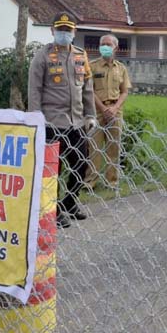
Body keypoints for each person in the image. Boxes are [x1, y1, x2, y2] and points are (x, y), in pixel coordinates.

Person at [28, 12, 97, 228]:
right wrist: (35, 117)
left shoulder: (80, 55)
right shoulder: (43, 56)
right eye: (60, 30)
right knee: (53, 169)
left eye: (68, 30)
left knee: (82, 162)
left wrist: (91, 114)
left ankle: (69, 203)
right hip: (51, 122)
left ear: (74, 32)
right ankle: (52, 210)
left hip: (76, 122)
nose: (64, 34)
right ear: (52, 31)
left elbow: (87, 88)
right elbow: (34, 89)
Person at [86, 34, 132, 190]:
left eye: (108, 44)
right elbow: (89, 90)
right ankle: (90, 182)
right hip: (97, 111)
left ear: (115, 48)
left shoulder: (121, 68)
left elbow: (124, 91)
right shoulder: (92, 66)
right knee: (94, 147)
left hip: (115, 111)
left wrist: (115, 108)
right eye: (102, 44)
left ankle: (112, 182)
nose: (104, 47)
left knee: (114, 148)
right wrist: (103, 108)